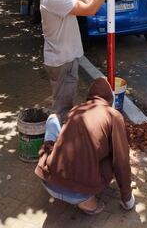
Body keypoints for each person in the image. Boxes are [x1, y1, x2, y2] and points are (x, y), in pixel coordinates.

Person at [35, 0, 125, 122]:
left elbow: (85, 3)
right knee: (62, 108)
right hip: (60, 61)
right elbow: (89, 10)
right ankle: (56, 142)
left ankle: (62, 136)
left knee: (67, 102)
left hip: (69, 57)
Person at [35, 77, 135, 215]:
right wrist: (127, 197)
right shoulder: (113, 115)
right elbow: (121, 162)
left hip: (49, 181)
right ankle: (87, 203)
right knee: (115, 156)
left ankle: (78, 196)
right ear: (109, 100)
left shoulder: (77, 109)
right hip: (79, 194)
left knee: (53, 121)